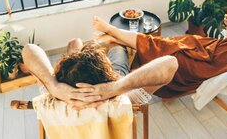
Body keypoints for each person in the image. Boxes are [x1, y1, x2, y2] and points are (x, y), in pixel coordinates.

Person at [78, 2, 227, 102]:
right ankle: (122, 40)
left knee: (164, 48)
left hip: (207, 66)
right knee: (175, 40)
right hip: (208, 49)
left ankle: (113, 32)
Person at [22, 37, 178, 108]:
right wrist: (116, 87)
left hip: (74, 85)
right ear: (107, 76)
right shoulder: (120, 102)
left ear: (61, 78)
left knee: (75, 42)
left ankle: (85, 52)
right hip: (114, 84)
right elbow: (171, 63)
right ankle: (113, 44)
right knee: (117, 47)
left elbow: (28, 49)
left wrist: (54, 86)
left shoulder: (52, 101)